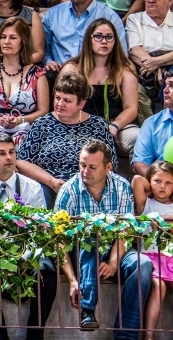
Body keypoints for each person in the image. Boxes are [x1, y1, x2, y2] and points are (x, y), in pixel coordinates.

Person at [56, 140, 152, 334]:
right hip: (83, 252)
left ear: (108, 167)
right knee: (92, 239)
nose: (85, 171)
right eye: (82, 165)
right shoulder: (68, 191)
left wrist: (114, 263)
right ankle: (87, 310)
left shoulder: (122, 187)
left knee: (144, 265)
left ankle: (126, 334)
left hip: (118, 248)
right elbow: (59, 239)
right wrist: (73, 280)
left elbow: (125, 230)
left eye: (92, 167)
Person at [0, 133, 57, 340]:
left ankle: (35, 335)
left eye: (12, 152)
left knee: (47, 270)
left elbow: (38, 227)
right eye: (2, 153)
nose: (9, 157)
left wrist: (22, 254)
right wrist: (2, 254)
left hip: (28, 248)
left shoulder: (32, 187)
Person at [17, 71, 116, 207]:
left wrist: (82, 183)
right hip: (47, 185)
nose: (60, 104)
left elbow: (111, 164)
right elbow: (22, 161)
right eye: (57, 98)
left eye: (67, 100)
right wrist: (51, 181)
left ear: (81, 104)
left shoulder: (98, 126)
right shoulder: (42, 123)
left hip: (86, 185)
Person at [61, 19, 139, 158]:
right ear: (88, 39)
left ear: (115, 41)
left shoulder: (125, 71)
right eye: (98, 36)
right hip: (80, 126)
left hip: (116, 127)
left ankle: (136, 180)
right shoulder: (72, 69)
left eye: (109, 37)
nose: (104, 41)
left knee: (137, 137)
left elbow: (131, 108)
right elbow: (62, 105)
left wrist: (114, 126)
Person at [0, 16, 49, 145]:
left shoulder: (37, 73)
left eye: (12, 37)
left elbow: (43, 111)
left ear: (23, 41)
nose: (6, 41)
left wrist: (20, 120)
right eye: (3, 37)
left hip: (26, 132)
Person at [43, 0, 127, 71]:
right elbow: (44, 48)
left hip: (95, 74)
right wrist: (48, 61)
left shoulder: (110, 17)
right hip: (59, 73)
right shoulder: (53, 14)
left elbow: (122, 53)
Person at [132, 161, 173, 339]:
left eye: (169, 183)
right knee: (157, 288)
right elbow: (136, 180)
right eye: (157, 181)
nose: (162, 186)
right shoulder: (145, 205)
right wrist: (151, 184)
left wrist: (160, 218)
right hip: (152, 257)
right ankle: (148, 336)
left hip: (171, 256)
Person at [127, 0, 173, 86]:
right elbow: (134, 50)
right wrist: (157, 69)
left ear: (170, 0)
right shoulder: (134, 19)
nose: (151, 0)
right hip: (144, 73)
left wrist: (157, 63)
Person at [133, 75, 173, 177]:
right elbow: (139, 163)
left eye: (172, 85)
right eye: (165, 85)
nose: (165, 90)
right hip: (161, 184)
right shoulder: (151, 123)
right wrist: (159, 182)